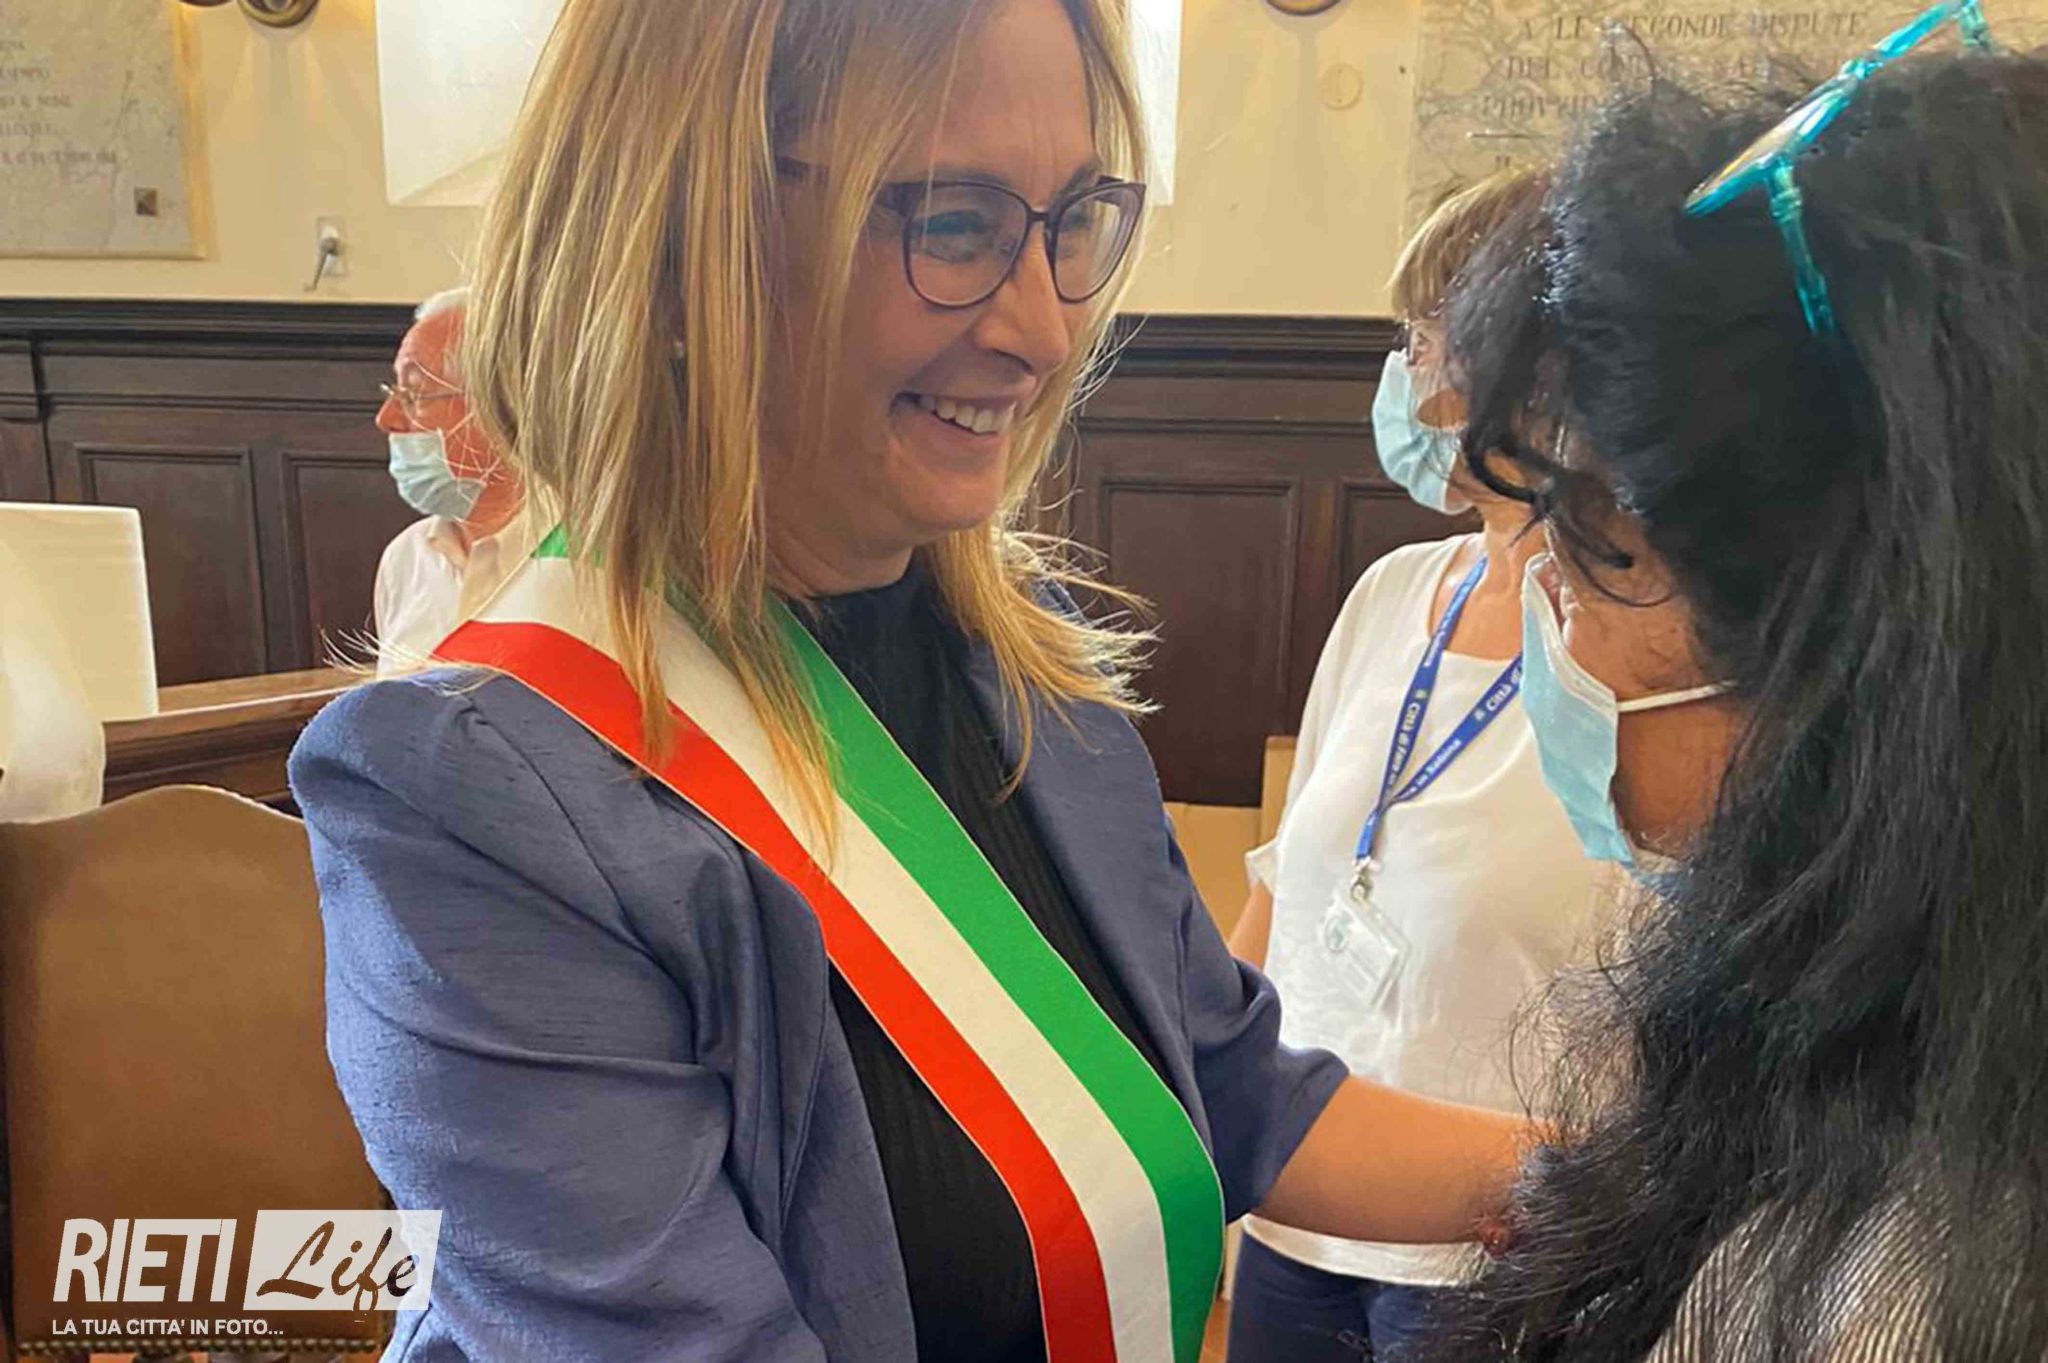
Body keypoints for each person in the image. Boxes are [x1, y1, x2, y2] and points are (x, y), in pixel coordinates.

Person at [289, 1, 1533, 1359]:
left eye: (1073, 221)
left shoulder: (1031, 664)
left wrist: (1617, 1180)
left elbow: (1229, 1085)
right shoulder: (474, 792)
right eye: (952, 223)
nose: (1045, 329)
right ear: (686, 239)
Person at [1424, 31, 2048, 1362]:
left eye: (1593, 549)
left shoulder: (1905, 1289)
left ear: (1857, 650)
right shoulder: (1885, 1065)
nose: (1558, 627)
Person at [1224, 170, 1612, 1363]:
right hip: (1296, 1221)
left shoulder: (1631, 642)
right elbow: (1283, 889)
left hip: (1495, 1255)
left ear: (1523, 369)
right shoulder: (1391, 594)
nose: (1400, 374)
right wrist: (1191, 1089)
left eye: (1420, 339)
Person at [370, 287, 528, 674]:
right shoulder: (406, 557)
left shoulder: (582, 559)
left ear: (499, 406)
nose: (386, 418)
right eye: (394, 391)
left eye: (415, 394)